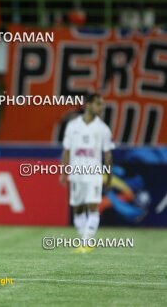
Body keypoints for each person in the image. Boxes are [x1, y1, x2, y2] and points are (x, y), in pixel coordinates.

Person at [60, 93, 115, 253]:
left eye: (102, 104)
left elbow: (108, 154)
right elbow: (67, 150)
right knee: (77, 208)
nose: (101, 107)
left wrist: (109, 176)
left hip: (93, 174)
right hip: (76, 173)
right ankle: (84, 240)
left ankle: (87, 242)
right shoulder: (73, 126)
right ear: (88, 104)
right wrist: (63, 172)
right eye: (99, 104)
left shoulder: (103, 129)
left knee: (92, 206)